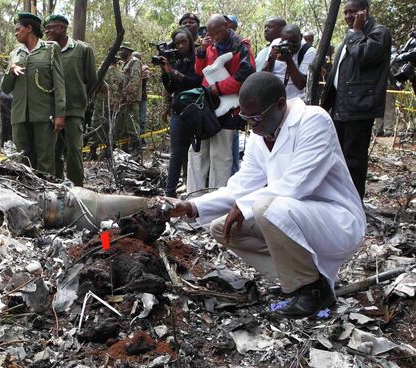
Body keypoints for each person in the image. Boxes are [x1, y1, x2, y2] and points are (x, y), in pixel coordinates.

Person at [167, 72, 366, 319]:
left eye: (256, 116)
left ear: (281, 104)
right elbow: (240, 187)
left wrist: (245, 204)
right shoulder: (258, 137)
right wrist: (189, 205)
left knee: (265, 208)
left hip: (334, 220)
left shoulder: (313, 120)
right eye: (245, 116)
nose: (251, 124)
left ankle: (313, 292)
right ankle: (297, 282)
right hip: (290, 215)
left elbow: (296, 185)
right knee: (222, 229)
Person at [321, 0, 391, 200]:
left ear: (365, 12)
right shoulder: (351, 35)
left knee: (353, 161)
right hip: (341, 108)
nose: (348, 16)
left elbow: (365, 56)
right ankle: (339, 201)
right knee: (338, 159)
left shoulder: (378, 32)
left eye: (353, 12)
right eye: (345, 13)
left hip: (358, 108)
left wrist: (357, 31)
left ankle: (354, 206)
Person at [191, 14, 254, 190]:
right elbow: (199, 71)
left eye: (218, 32)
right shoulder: (211, 45)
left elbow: (245, 77)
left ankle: (215, 203)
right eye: (212, 33)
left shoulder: (242, 46)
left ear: (227, 25)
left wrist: (217, 89)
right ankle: (192, 200)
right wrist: (202, 51)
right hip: (206, 107)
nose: (215, 37)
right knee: (197, 155)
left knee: (221, 158)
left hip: (228, 109)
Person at [1, 12, 66, 176]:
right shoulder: (15, 54)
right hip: (19, 116)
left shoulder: (50, 49)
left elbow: (59, 83)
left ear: (29, 28)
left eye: (18, 29)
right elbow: (6, 88)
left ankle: (47, 195)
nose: (15, 33)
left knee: (45, 158)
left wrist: (60, 114)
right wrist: (10, 70)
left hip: (44, 115)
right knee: (21, 159)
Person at [44, 14, 97, 186]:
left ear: (62, 28)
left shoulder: (82, 50)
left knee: (74, 151)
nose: (47, 31)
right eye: (46, 27)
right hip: (50, 111)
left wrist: (80, 98)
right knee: (53, 152)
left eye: (51, 27)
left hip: (74, 110)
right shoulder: (46, 50)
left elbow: (92, 80)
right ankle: (57, 187)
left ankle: (77, 190)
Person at [160, 28, 203, 197]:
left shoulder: (197, 58)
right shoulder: (174, 60)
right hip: (178, 110)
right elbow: (170, 88)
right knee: (177, 153)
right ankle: (169, 193)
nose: (180, 46)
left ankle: (195, 191)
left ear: (190, 42)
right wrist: (165, 72)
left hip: (195, 110)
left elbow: (196, 82)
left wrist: (175, 73)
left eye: (183, 42)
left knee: (196, 153)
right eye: (177, 43)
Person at [262, 24, 316, 100]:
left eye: (293, 42)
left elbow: (301, 85)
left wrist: (289, 60)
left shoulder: (309, 51)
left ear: (300, 37)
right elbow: (264, 75)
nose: (289, 46)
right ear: (281, 37)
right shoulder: (276, 43)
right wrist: (271, 58)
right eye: (285, 42)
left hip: (296, 101)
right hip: (274, 99)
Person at [88, 55, 123, 160]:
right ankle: (109, 150)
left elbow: (95, 83)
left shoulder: (102, 70)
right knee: (112, 126)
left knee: (97, 124)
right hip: (115, 104)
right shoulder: (121, 73)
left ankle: (93, 150)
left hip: (101, 102)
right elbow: (122, 89)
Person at [117, 43, 143, 156]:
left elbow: (135, 80)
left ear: (128, 50)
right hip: (124, 100)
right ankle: (125, 149)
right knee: (124, 126)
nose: (120, 51)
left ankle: (136, 149)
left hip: (131, 100)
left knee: (132, 124)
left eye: (122, 49)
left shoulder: (135, 62)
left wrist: (130, 97)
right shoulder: (125, 64)